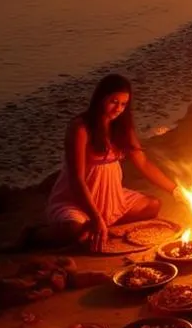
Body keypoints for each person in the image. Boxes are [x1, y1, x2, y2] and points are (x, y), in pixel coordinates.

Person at [40, 73, 179, 252]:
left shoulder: (123, 127)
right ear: (101, 98)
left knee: (153, 206)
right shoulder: (80, 128)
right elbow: (77, 179)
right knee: (73, 230)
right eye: (114, 101)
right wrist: (95, 217)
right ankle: (35, 234)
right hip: (78, 199)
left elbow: (143, 163)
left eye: (123, 104)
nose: (118, 109)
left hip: (111, 197)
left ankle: (97, 224)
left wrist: (175, 191)